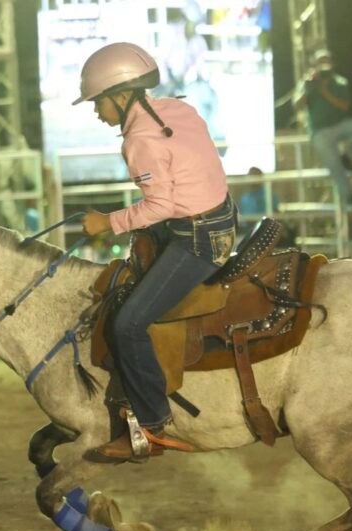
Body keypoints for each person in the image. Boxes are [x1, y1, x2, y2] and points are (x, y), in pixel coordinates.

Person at [76, 41, 237, 461]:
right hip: (217, 219)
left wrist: (106, 222)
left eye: (98, 102)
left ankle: (151, 425)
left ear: (121, 95)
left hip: (196, 238)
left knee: (127, 323)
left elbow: (160, 206)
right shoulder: (176, 109)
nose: (97, 112)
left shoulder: (139, 141)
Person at [293, 48, 352, 206]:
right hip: (320, 132)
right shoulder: (307, 82)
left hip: (340, 125)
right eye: (320, 62)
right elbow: (297, 106)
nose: (323, 65)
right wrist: (309, 88)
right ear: (314, 65)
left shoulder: (340, 82)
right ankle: (350, 197)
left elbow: (344, 106)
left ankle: (347, 157)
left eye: (326, 61)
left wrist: (324, 91)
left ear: (332, 64)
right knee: (334, 166)